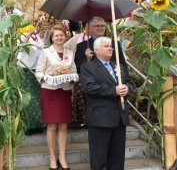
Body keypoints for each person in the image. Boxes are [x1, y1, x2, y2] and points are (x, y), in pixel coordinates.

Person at [80, 37, 133, 170]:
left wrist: (128, 88)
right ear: (96, 50)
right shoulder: (87, 67)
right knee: (99, 158)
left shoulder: (119, 66)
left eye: (111, 46)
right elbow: (89, 88)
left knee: (117, 159)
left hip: (120, 118)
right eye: (106, 46)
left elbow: (131, 83)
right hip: (100, 119)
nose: (110, 48)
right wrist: (113, 90)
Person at [35, 25, 77, 170]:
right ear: (52, 38)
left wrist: (72, 78)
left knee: (64, 125)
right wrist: (48, 78)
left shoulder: (70, 53)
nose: (59, 38)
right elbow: (38, 72)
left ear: (65, 37)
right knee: (52, 125)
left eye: (61, 35)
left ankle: (62, 157)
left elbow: (74, 71)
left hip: (64, 91)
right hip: (50, 91)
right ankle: (52, 157)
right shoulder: (46, 53)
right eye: (56, 35)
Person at [73, 17, 127, 125]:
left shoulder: (114, 44)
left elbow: (123, 65)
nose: (100, 28)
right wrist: (86, 59)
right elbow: (77, 67)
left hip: (114, 87)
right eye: (97, 26)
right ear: (89, 28)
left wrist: (125, 83)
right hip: (96, 92)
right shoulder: (82, 46)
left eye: (102, 25)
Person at [18, 13, 45, 134]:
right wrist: (28, 33)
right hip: (26, 69)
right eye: (32, 22)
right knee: (28, 99)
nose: (35, 24)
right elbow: (20, 45)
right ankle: (28, 126)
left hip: (37, 69)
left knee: (38, 97)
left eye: (35, 22)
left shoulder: (37, 36)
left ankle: (39, 124)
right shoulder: (22, 32)